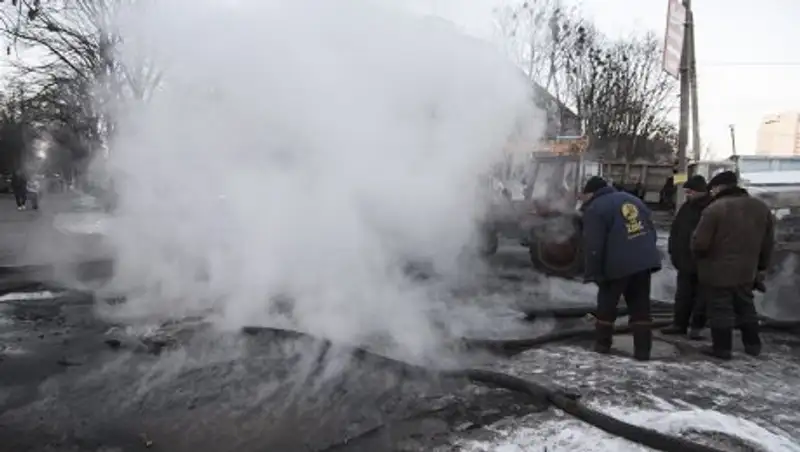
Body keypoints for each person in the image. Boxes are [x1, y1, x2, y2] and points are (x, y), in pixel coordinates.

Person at [691, 170, 774, 360]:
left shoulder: (715, 209)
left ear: (719, 188)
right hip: (747, 270)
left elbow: (700, 243)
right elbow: (768, 242)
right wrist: (761, 267)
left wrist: (699, 258)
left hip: (717, 270)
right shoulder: (761, 207)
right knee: (746, 306)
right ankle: (753, 345)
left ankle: (722, 348)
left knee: (721, 309)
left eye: (712, 189)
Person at [581, 176, 663, 361]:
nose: (582, 200)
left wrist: (594, 273)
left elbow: (594, 245)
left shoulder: (596, 208)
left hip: (617, 265)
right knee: (641, 308)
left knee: (607, 307)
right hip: (643, 262)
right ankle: (643, 352)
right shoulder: (634, 200)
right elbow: (651, 230)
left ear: (590, 193)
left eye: (583, 196)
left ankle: (602, 347)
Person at [663, 175, 711, 339]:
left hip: (703, 262)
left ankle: (696, 327)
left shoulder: (710, 208)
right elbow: (676, 230)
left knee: (701, 297)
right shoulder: (686, 207)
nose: (687, 195)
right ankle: (679, 324)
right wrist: (672, 250)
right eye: (686, 192)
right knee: (683, 295)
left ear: (700, 192)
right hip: (684, 261)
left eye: (690, 192)